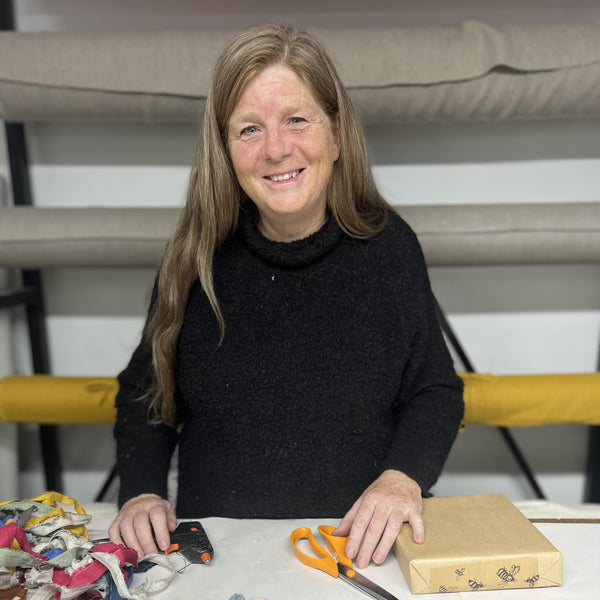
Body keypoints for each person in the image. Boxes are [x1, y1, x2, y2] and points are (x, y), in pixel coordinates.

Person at [109, 24, 464, 570]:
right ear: (225, 151)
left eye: (297, 120)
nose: (276, 149)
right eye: (248, 129)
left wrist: (402, 478)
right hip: (214, 560)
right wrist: (139, 492)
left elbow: (435, 390)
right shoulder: (194, 256)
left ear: (338, 133)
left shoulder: (390, 248)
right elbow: (144, 396)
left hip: (355, 556)